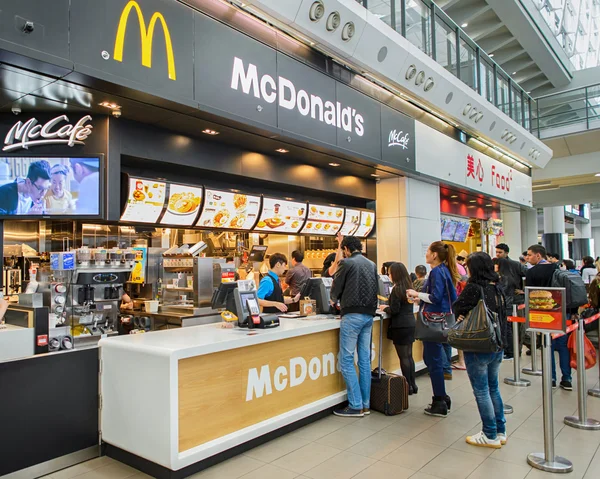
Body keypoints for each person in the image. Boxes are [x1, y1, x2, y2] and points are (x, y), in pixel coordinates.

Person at [453, 252, 507, 449]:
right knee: (493, 388)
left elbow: (458, 306)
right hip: (497, 344)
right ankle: (500, 430)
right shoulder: (498, 287)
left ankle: (489, 433)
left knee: (481, 391)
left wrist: (461, 313)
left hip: (479, 344)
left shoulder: (474, 288)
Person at [407, 241, 459, 417]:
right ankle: (442, 397)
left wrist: (417, 294)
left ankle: (439, 400)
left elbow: (436, 297)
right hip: (441, 320)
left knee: (433, 359)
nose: (426, 254)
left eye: (428, 251)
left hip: (433, 321)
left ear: (435, 255)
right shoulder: (445, 271)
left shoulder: (437, 272)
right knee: (433, 358)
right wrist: (421, 299)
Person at [330, 236, 378, 417]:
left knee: (347, 360)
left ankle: (355, 405)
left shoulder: (347, 263)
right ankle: (365, 404)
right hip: (368, 315)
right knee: (364, 360)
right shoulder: (371, 264)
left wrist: (333, 300)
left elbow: (336, 286)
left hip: (352, 315)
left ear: (347, 249)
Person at [526, 244, 572, 390]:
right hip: (561, 310)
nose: (528, 258)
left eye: (530, 255)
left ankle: (551, 377)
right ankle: (567, 378)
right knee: (563, 345)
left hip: (542, 313)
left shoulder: (532, 272)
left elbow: (530, 294)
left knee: (547, 345)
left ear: (538, 255)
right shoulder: (557, 268)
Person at [384, 262, 418, 395]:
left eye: (390, 273)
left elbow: (394, 310)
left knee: (403, 357)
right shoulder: (409, 288)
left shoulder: (397, 289)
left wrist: (384, 308)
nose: (389, 275)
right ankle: (413, 384)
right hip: (410, 323)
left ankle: (407, 386)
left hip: (400, 326)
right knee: (409, 356)